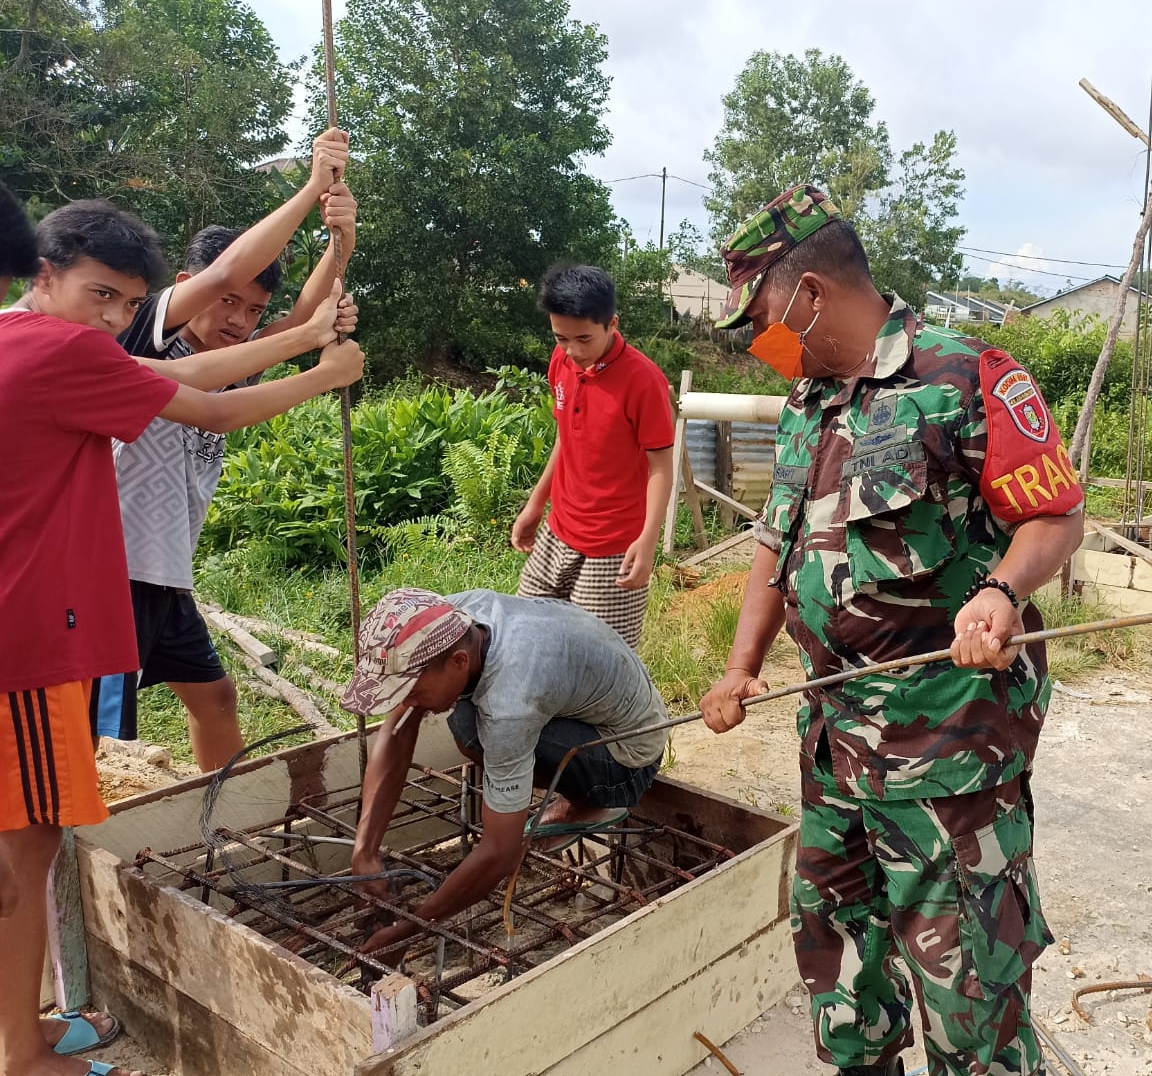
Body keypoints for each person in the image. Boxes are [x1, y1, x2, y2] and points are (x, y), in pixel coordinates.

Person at [697, 186, 1085, 1076]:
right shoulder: (808, 403)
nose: (758, 341)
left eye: (759, 318)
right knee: (844, 974)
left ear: (810, 294)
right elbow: (774, 543)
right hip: (834, 747)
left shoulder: (963, 376)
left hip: (945, 751)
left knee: (969, 997)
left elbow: (1056, 514)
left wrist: (1003, 591)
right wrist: (740, 663)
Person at [0, 196, 363, 1076]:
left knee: (38, 829)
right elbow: (213, 400)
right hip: (40, 631)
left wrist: (328, 274)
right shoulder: (80, 349)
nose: (114, 317)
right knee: (33, 835)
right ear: (44, 274)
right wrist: (323, 365)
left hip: (95, 602)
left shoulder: (32, 340)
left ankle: (29, 1023)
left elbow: (227, 359)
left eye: (127, 302)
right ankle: (25, 1042)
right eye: (101, 295)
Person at [104, 130, 358, 768]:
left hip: (166, 574)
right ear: (185, 287)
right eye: (228, 304)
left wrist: (342, 241)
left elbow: (299, 322)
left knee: (215, 697)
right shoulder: (146, 337)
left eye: (253, 310)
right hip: (116, 572)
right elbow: (231, 275)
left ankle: (219, 810)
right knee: (100, 733)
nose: (240, 320)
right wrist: (310, 188)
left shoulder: (231, 361)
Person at [339, 587, 669, 956]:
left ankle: (589, 803)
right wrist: (364, 851)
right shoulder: (451, 620)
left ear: (459, 662)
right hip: (593, 701)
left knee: (478, 729)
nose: (407, 702)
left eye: (411, 692)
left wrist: (410, 929)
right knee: (469, 724)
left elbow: (500, 852)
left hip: (626, 758)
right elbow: (399, 729)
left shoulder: (510, 705)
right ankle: (534, 790)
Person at [509, 265, 674, 647]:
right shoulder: (561, 361)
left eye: (584, 338)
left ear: (612, 323)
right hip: (558, 531)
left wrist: (648, 541)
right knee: (524, 640)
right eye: (561, 338)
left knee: (597, 658)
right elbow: (565, 439)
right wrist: (536, 504)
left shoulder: (643, 381)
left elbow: (661, 466)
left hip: (613, 545)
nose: (573, 351)